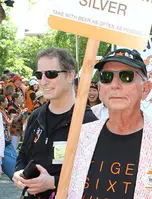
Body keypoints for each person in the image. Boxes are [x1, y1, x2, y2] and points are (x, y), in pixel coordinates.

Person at [67, 48, 152, 199]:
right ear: (100, 89)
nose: (115, 85)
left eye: (126, 77)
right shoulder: (81, 135)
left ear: (145, 89)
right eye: (106, 76)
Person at [13, 48, 98, 199]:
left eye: (51, 74)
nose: (43, 81)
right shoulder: (36, 116)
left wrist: (53, 182)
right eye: (39, 75)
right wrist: (20, 173)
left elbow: (96, 175)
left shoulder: (88, 122)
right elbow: (23, 155)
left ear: (70, 75)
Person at [0, 95, 17, 180]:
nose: (7, 102)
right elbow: (8, 123)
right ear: (1, 102)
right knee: (14, 168)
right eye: (6, 101)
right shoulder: (1, 112)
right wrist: (12, 118)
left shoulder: (4, 111)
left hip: (6, 140)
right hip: (5, 142)